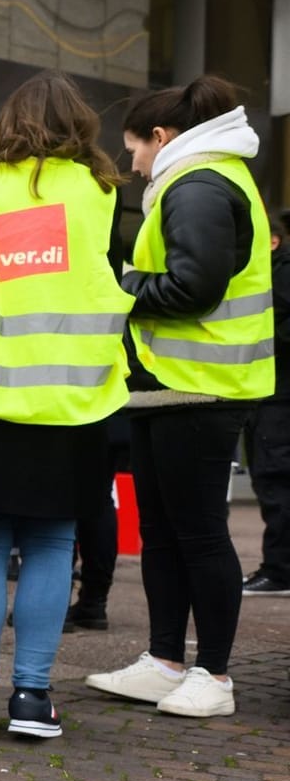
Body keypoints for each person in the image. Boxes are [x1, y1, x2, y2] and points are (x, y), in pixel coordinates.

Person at [0, 71, 133, 740]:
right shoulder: (103, 195)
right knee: (53, 539)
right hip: (74, 397)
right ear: (81, 127)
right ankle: (30, 697)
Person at [86, 76, 273, 718]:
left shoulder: (195, 185)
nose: (132, 164)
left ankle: (213, 675)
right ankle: (166, 661)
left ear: (162, 138)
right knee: (167, 532)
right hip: (173, 391)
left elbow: (194, 288)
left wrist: (120, 287)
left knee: (195, 533)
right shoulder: (199, 181)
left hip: (199, 390)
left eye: (134, 148)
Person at [242, 210, 290, 596]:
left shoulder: (280, 275)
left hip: (278, 396)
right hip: (272, 393)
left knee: (274, 479)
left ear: (272, 241)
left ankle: (279, 571)